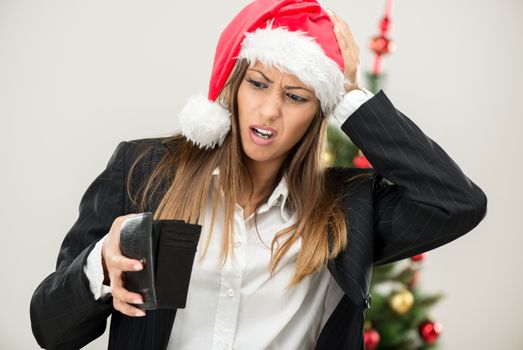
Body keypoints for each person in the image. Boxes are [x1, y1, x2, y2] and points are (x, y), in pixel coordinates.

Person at [30, 0, 488, 349]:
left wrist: (349, 95)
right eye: (258, 84)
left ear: (317, 112)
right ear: (232, 83)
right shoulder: (144, 171)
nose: (269, 111)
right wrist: (98, 269)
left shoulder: (348, 210)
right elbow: (51, 329)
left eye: (296, 96)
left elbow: (457, 202)